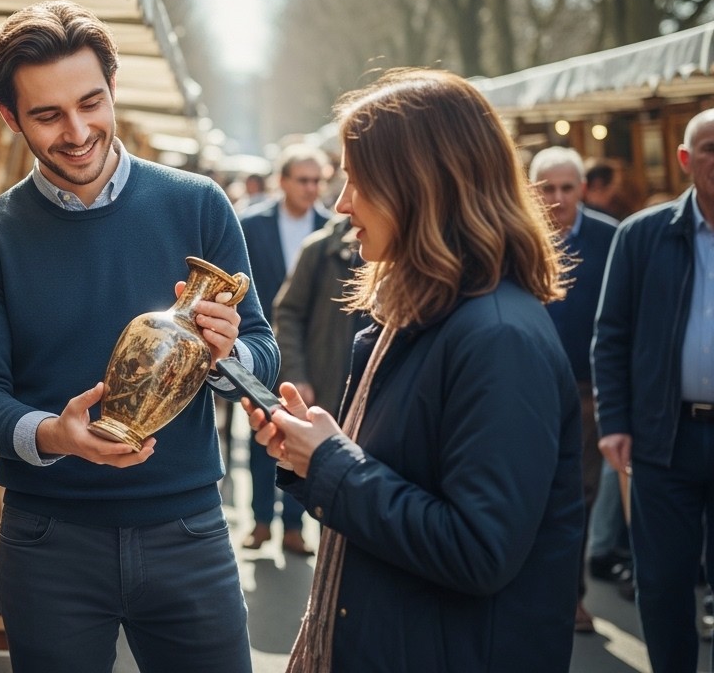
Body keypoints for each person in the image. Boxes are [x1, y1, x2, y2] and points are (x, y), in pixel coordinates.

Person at [0, 0, 278, 673]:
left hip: (188, 529)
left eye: (91, 103)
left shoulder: (199, 204)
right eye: (47, 115)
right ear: (10, 119)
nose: (77, 131)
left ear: (113, 89)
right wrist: (53, 435)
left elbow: (263, 362)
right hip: (48, 541)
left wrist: (224, 355)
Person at [249, 68, 583, 671]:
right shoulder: (419, 316)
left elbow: (479, 550)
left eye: (358, 179)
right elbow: (402, 479)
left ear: (420, 185)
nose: (343, 202)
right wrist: (312, 453)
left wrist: (330, 461)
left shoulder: (498, 337)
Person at [593, 108, 714, 673]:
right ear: (686, 160)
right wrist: (614, 421)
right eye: (710, 148)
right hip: (665, 438)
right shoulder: (641, 235)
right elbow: (610, 335)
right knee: (663, 582)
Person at [528, 145, 619, 633]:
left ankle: (572, 596)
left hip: (586, 387)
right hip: (526, 383)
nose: (558, 198)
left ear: (582, 189)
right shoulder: (516, 236)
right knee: (526, 486)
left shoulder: (611, 238)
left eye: (567, 188)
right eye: (548, 188)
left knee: (578, 493)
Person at [239, 144, 331, 554]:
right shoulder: (251, 225)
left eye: (317, 180)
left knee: (302, 435)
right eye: (303, 180)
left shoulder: (333, 229)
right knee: (262, 435)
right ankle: (260, 521)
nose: (311, 188)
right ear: (283, 181)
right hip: (261, 347)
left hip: (313, 353)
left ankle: (294, 526)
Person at [271, 213, 366, 416]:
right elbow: (288, 313)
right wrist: (295, 375)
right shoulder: (320, 249)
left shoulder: (400, 259)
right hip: (320, 395)